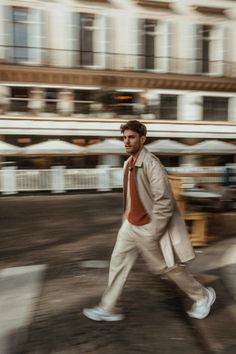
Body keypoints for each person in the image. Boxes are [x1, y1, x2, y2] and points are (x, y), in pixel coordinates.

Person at [83, 120, 216, 322]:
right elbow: (131, 195)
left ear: (142, 139)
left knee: (167, 267)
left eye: (131, 137)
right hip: (130, 225)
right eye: (124, 138)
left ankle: (202, 295)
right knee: (118, 262)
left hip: (148, 226)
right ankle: (108, 307)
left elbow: (164, 201)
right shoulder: (128, 163)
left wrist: (154, 231)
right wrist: (126, 218)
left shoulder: (152, 164)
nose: (126, 142)